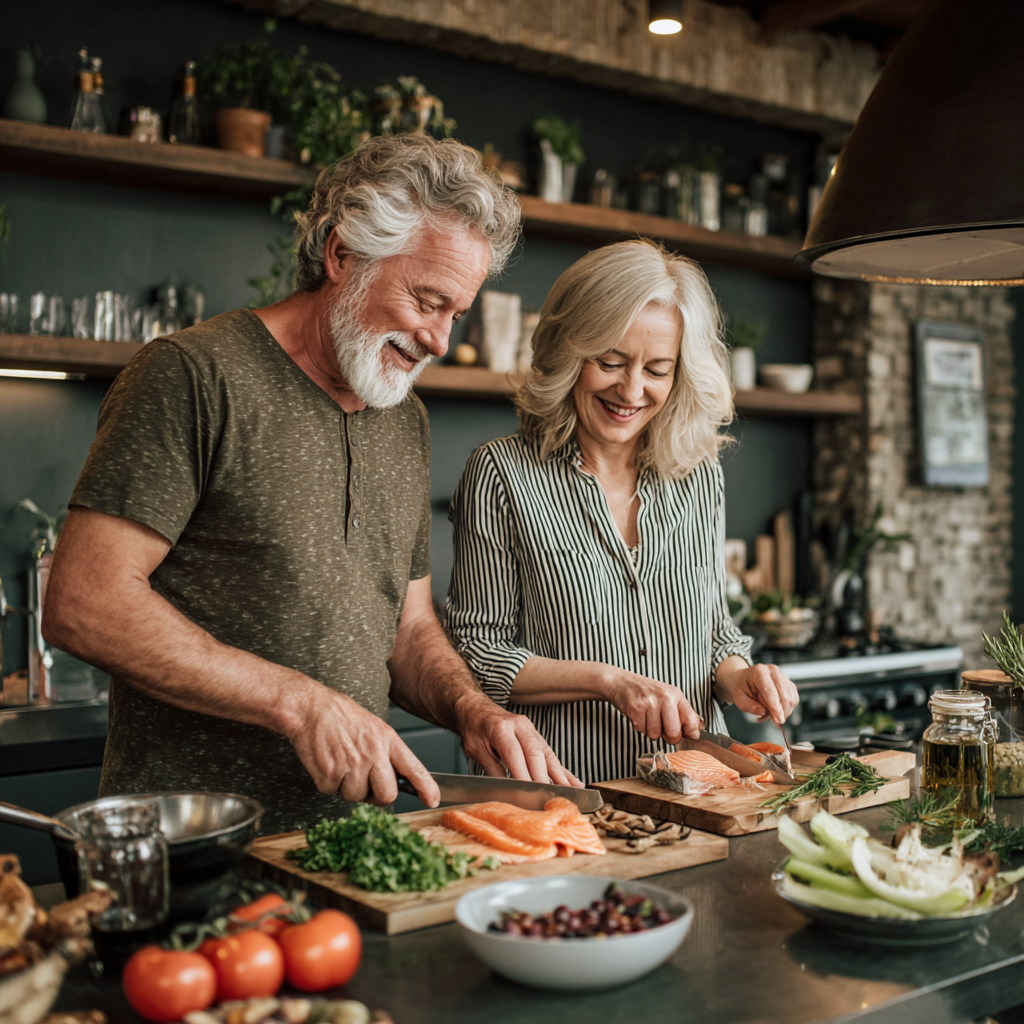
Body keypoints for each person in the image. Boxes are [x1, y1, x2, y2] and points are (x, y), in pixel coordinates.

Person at [43, 134, 579, 835]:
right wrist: (300, 702)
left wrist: (473, 710)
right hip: (198, 850)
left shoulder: (403, 417)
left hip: (349, 848)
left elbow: (409, 631)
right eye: (426, 301)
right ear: (341, 255)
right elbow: (85, 602)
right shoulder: (193, 376)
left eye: (457, 312)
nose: (441, 340)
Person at [445, 240, 800, 784]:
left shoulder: (698, 476)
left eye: (657, 370)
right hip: (563, 787)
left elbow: (715, 631)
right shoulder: (501, 474)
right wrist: (608, 680)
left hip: (695, 792)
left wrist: (739, 676)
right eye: (610, 361)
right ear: (569, 353)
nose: (631, 390)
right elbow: (479, 653)